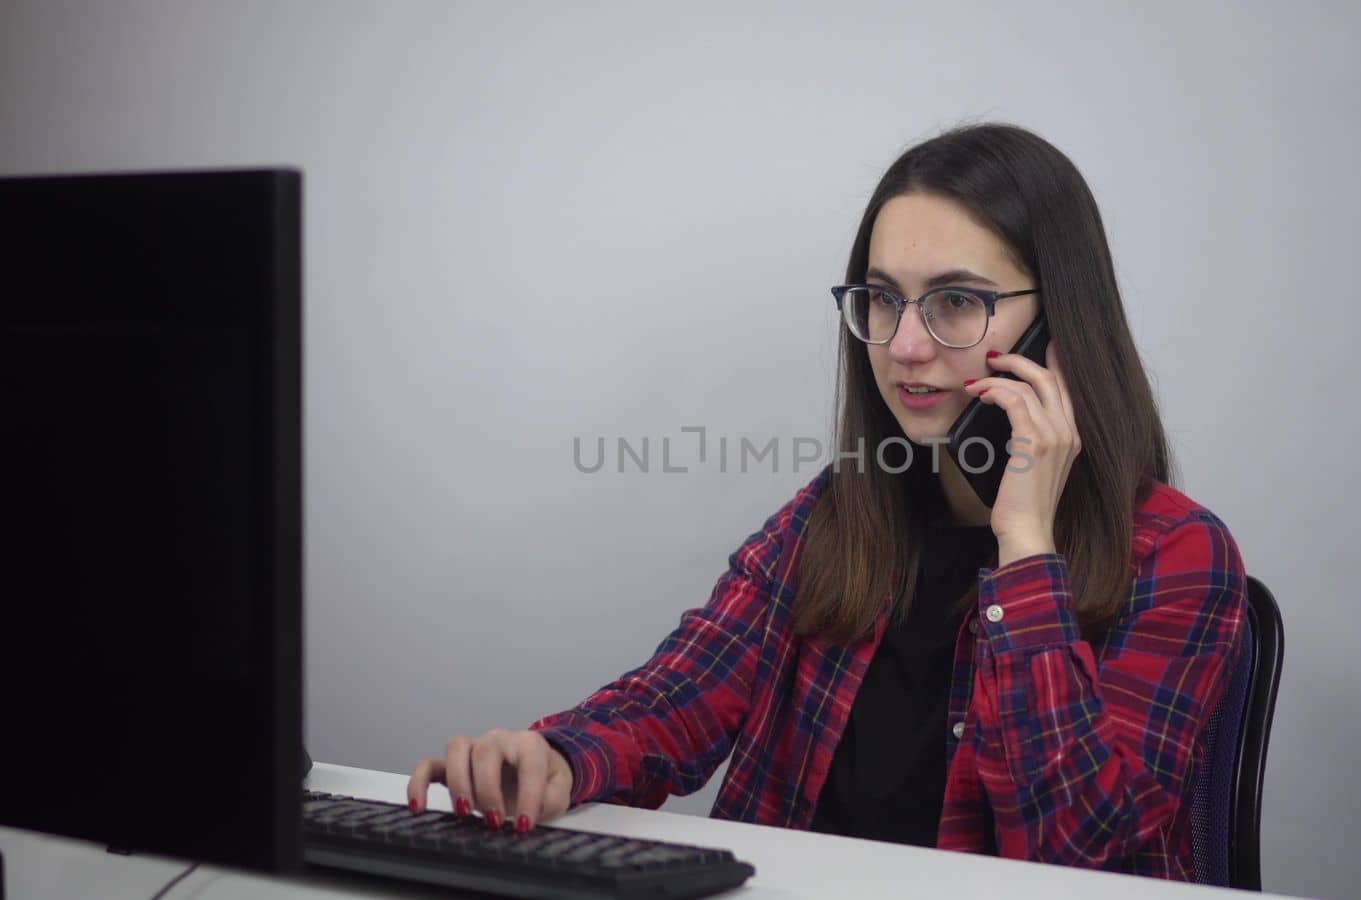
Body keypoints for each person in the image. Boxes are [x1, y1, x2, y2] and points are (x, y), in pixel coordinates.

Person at [406, 123, 1247, 881]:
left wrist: (1025, 542)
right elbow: (677, 698)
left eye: (957, 301)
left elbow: (1076, 853)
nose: (905, 347)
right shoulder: (836, 517)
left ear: (1058, 320)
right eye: (882, 299)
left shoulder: (1179, 556)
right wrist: (554, 759)